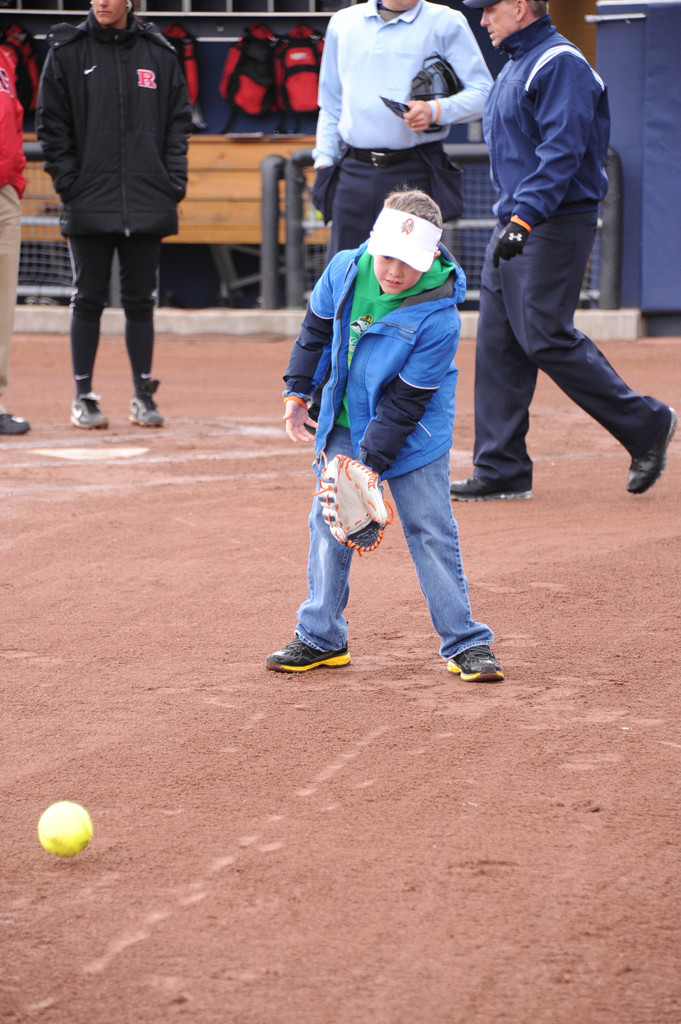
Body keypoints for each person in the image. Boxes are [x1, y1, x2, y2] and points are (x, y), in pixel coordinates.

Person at [267, 188, 504, 683]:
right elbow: (315, 332)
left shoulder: (440, 317)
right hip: (345, 423)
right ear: (374, 244)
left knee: (431, 532)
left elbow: (405, 403)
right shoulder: (347, 269)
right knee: (330, 525)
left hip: (414, 434)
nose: (394, 271)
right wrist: (297, 391)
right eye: (388, 257)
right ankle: (320, 637)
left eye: (409, 262)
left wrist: (366, 466)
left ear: (433, 255)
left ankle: (465, 643)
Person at [450, 0, 676, 502]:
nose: (482, 19)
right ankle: (501, 467)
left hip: (550, 222)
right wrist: (515, 218)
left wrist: (525, 217)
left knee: (544, 337)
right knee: (499, 343)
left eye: (489, 9)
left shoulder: (560, 63)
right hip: (514, 220)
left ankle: (646, 423)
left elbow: (562, 150)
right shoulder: (515, 64)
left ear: (520, 6)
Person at [35, 0, 192, 430]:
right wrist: (71, 184)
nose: (101, 2)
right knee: (88, 298)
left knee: (142, 301)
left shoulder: (159, 53)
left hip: (148, 197)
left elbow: (179, 122)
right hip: (88, 198)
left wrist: (171, 182)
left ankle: (142, 395)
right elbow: (51, 124)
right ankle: (83, 396)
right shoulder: (67, 51)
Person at [311, 0, 493, 259]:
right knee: (345, 275)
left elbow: (485, 93)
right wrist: (324, 162)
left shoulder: (446, 21)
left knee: (412, 276)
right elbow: (330, 104)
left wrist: (436, 110)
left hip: (415, 169)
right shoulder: (343, 22)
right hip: (353, 172)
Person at [0, 43, 30, 436]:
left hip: (5, 190)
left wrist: (16, 177)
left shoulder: (4, 58)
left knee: (3, 301)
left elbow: (15, 120)